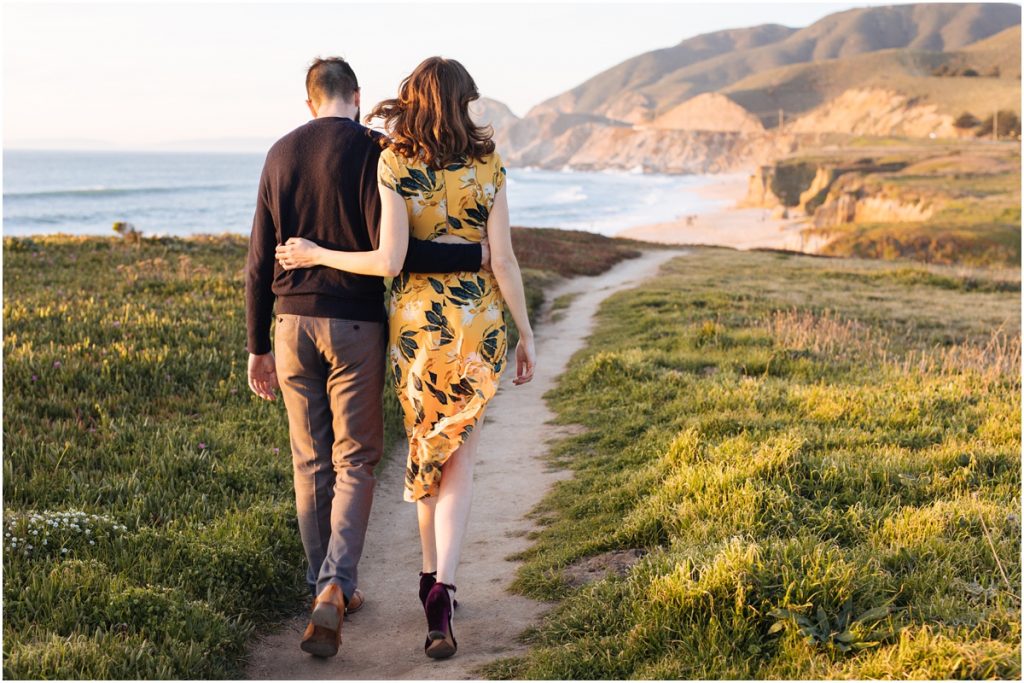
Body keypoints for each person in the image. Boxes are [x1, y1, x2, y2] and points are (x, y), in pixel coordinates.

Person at [275, 56, 536, 660]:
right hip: (479, 327)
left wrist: (319, 251)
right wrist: (526, 333)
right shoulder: (488, 164)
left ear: (413, 100)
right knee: (460, 457)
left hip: (417, 331)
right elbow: (505, 261)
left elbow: (388, 261)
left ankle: (429, 578)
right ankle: (441, 585)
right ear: (464, 101)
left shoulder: (396, 161)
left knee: (426, 452)